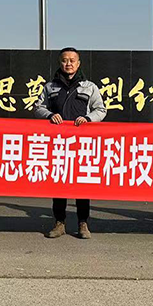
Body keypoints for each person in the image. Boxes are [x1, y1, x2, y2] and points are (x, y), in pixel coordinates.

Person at [33, 47, 107, 239]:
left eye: (72, 60)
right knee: (59, 184)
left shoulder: (89, 87)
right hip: (58, 144)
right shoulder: (50, 87)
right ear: (60, 62)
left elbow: (101, 110)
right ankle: (60, 223)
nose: (68, 63)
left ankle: (83, 223)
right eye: (65, 60)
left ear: (78, 63)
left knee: (82, 184)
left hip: (82, 144)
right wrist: (49, 115)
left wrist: (88, 119)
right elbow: (38, 107)